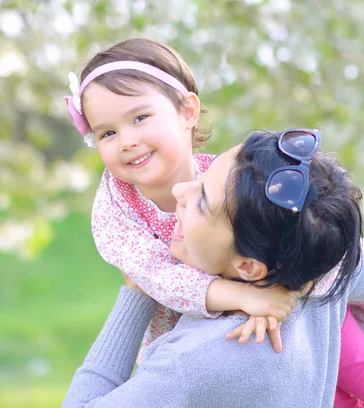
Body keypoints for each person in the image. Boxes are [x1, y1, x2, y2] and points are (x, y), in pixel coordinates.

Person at [62, 129, 364, 408]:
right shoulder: (322, 266)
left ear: (250, 267)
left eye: (203, 201)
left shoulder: (196, 361)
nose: (181, 190)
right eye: (201, 177)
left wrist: (139, 296)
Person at [64, 38, 300, 359]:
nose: (126, 141)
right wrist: (242, 296)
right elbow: (154, 275)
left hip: (245, 333)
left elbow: (280, 236)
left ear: (187, 111)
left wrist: (272, 296)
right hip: (173, 353)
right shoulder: (115, 204)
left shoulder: (223, 178)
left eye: (139, 118)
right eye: (107, 133)